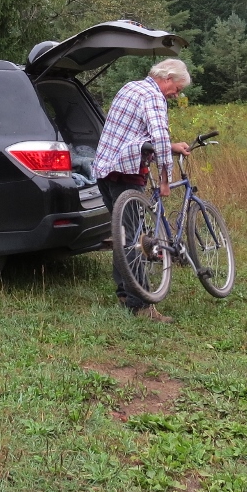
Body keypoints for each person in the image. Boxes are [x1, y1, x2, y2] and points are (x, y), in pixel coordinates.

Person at [93, 59, 192, 321]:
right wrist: (164, 180)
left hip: (105, 170)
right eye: (177, 89)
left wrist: (171, 146)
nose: (176, 94)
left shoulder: (131, 88)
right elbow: (157, 138)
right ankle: (142, 305)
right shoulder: (154, 97)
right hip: (127, 174)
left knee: (122, 235)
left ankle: (125, 292)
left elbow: (133, 132)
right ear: (168, 78)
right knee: (136, 240)